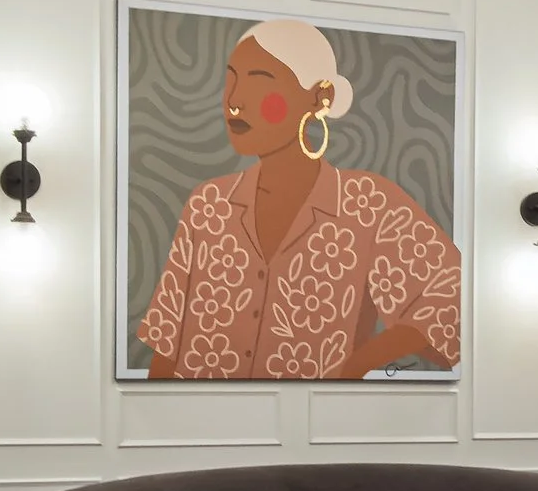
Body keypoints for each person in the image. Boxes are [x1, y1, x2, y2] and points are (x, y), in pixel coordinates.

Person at [138, 20, 460, 380]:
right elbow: (167, 346)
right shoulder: (209, 203)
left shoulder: (368, 204)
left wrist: (359, 363)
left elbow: (453, 297)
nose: (234, 101)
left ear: (320, 98)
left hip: (315, 413)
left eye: (260, 80)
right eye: (231, 79)